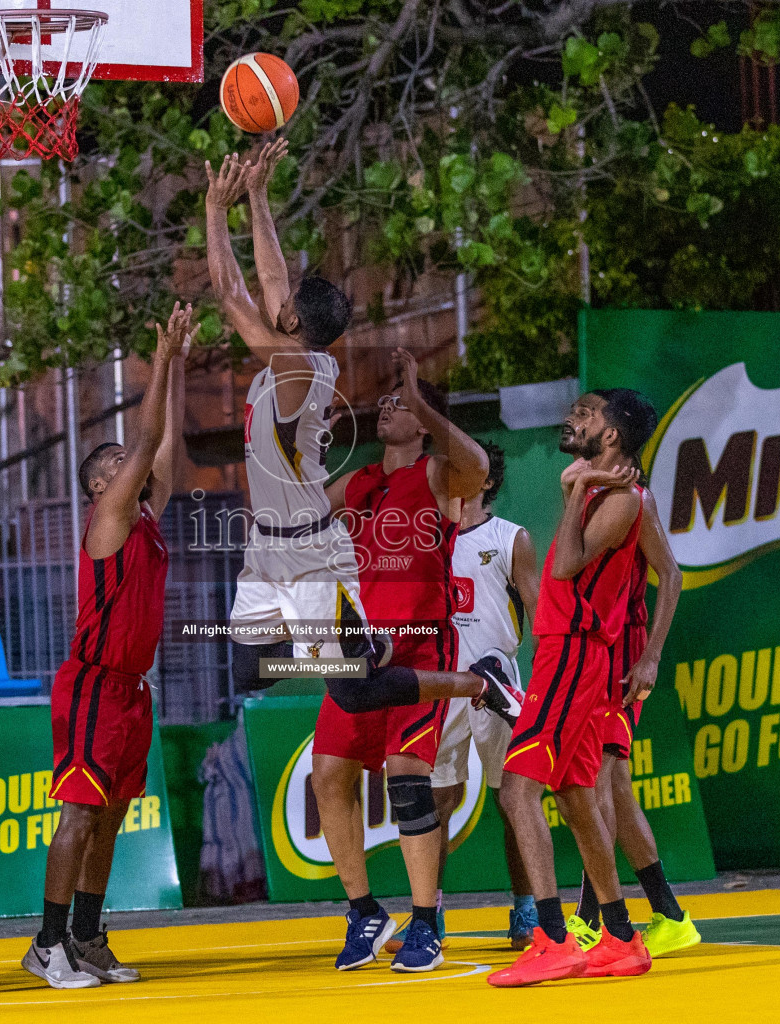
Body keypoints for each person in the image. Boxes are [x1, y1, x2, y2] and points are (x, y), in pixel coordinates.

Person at [206, 148, 512, 723]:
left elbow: (231, 293)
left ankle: (477, 683)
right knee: (250, 670)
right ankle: (349, 650)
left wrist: (214, 209)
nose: (279, 302)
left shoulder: (294, 369)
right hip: (271, 543)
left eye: (286, 308)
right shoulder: (299, 353)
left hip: (309, 550)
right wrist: (257, 195)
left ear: (292, 324)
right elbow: (271, 281)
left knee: (354, 691)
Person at [312, 351, 506, 974]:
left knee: (406, 775)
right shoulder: (361, 482)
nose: (386, 406)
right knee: (329, 773)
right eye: (388, 400)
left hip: (422, 641)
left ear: (424, 421)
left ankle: (426, 922)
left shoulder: (438, 474)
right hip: (363, 649)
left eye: (401, 403)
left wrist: (422, 397)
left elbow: (477, 465)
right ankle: (365, 910)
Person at [22, 303, 191, 990]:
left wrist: (178, 363)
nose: (135, 462)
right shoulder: (109, 516)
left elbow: (166, 448)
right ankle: (46, 943)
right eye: (119, 461)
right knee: (79, 814)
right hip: (93, 682)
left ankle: (88, 936)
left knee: (112, 817)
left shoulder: (145, 517)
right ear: (100, 484)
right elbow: (149, 437)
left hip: (130, 688)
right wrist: (159, 357)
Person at [489, 388, 659, 988]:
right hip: (574, 655)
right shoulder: (614, 493)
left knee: (518, 793)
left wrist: (573, 494)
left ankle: (553, 938)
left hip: (573, 653)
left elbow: (563, 566)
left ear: (611, 435)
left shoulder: (621, 500)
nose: (573, 419)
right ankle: (620, 935)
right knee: (576, 796)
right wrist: (577, 491)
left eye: (586, 414)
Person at [567, 486, 701, 958]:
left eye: (587, 412)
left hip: (622, 654)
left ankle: (591, 919)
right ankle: (669, 914)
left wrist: (652, 656)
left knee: (596, 782)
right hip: (593, 651)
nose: (577, 420)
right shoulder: (589, 494)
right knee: (614, 787)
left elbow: (672, 574)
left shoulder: (634, 498)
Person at [422, 441, 540, 951]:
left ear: (487, 480)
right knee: (435, 800)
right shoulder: (425, 539)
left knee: (512, 798)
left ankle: (527, 909)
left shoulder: (511, 538)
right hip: (438, 681)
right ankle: (430, 915)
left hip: (499, 682)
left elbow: (543, 616)